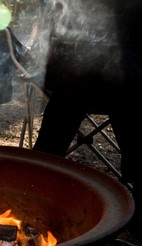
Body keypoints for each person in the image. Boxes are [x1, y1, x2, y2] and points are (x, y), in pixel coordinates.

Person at [32, 0, 142, 229]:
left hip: (124, 77)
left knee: (118, 71)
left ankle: (39, 172)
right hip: (75, 71)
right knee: (82, 70)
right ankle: (38, 175)